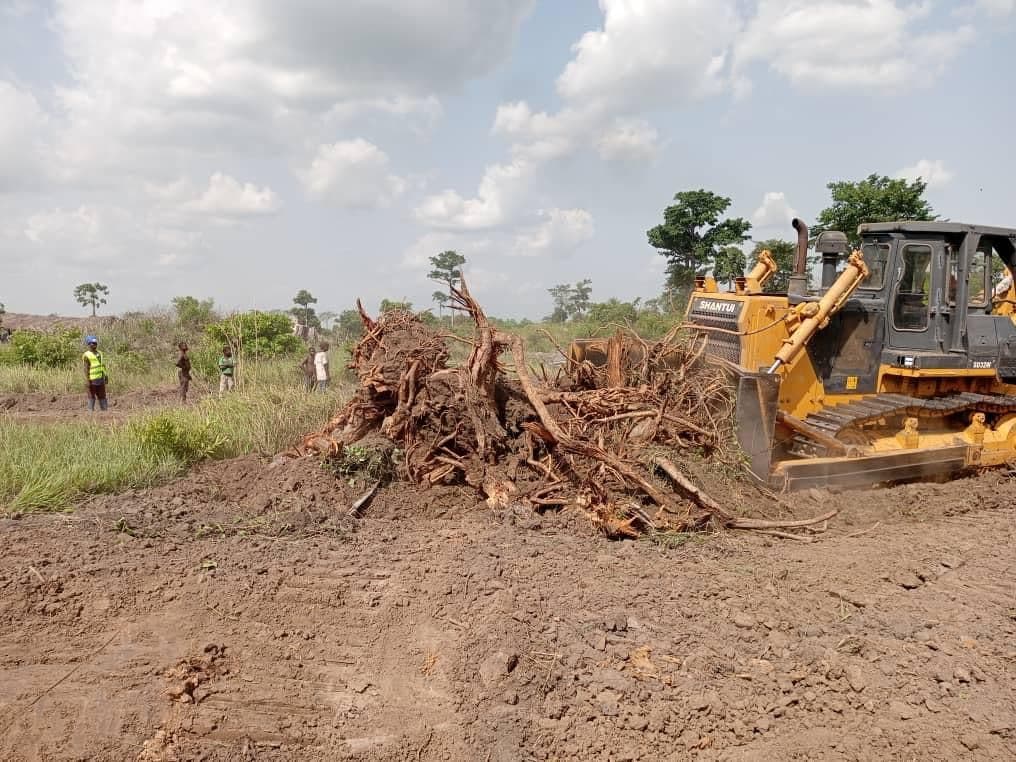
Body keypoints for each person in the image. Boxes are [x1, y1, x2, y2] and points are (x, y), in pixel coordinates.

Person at [82, 335, 108, 412]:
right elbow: (86, 368)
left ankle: (105, 412)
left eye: (95, 343)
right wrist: (87, 380)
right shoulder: (87, 355)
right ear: (89, 344)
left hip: (100, 379)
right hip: (92, 380)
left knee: (102, 396)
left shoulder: (100, 353)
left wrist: (105, 375)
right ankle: (91, 413)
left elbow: (102, 365)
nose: (94, 344)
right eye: (93, 343)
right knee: (91, 396)